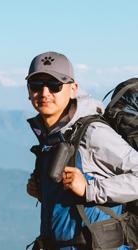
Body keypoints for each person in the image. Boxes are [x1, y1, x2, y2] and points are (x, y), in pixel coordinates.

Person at [25, 51, 138, 250]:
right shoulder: (53, 135)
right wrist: (43, 191)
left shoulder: (92, 133)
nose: (44, 93)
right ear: (28, 90)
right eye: (36, 85)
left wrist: (91, 190)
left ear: (72, 89)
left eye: (54, 86)